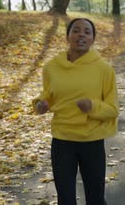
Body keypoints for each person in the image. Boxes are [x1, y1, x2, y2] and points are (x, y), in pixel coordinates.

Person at [32, 18, 118, 205]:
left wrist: (92, 106)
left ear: (93, 39)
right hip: (62, 141)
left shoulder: (104, 70)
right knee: (65, 199)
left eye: (87, 32)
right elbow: (47, 96)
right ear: (67, 36)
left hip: (92, 142)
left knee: (95, 199)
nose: (81, 35)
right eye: (76, 31)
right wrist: (40, 105)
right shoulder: (52, 68)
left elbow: (112, 109)